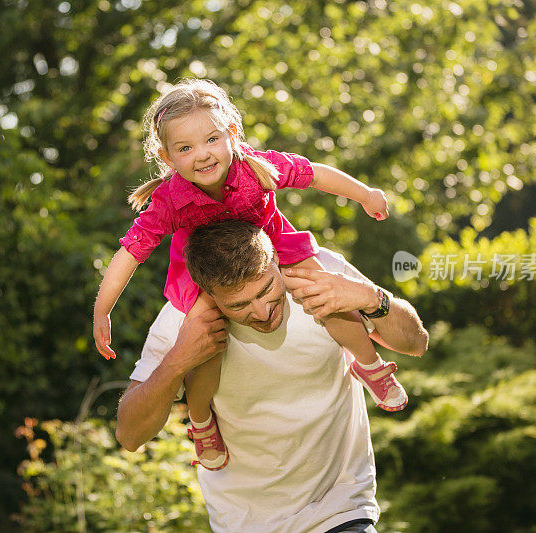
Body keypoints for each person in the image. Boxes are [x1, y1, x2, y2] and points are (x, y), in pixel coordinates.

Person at [94, 78, 406, 470]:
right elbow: (130, 254)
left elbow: (317, 175)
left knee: (320, 289)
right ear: (168, 157)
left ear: (232, 133)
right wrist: (103, 309)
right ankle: (202, 420)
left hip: (270, 244)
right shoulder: (169, 201)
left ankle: (367, 362)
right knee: (205, 338)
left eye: (211, 139)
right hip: (208, 268)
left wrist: (366, 195)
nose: (202, 155)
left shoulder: (257, 167)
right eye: (186, 148)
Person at [115, 220, 429, 532]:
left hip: (340, 512)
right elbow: (130, 436)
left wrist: (372, 298)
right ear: (209, 295)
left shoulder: (320, 271)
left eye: (266, 290)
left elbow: (416, 343)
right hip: (243, 523)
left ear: (276, 259)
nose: (263, 312)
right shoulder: (182, 319)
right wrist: (176, 362)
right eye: (239, 305)